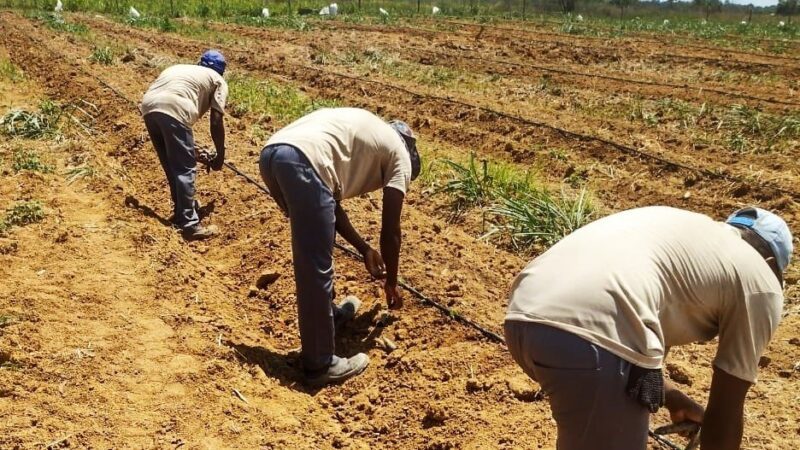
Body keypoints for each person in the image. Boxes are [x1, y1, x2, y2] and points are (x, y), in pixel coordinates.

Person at [504, 206, 792, 450]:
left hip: (524, 316)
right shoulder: (761, 282)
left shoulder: (692, 235)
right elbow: (726, 409)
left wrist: (672, 396)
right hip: (589, 337)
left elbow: (628, 307)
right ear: (772, 263)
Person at [259, 107, 421, 387]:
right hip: (304, 163)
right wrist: (392, 282)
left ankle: (329, 316)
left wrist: (363, 248)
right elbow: (391, 229)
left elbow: (330, 207)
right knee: (315, 265)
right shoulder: (400, 154)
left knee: (317, 244)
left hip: (274, 155)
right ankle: (320, 364)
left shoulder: (365, 134)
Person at [140, 49, 228, 240]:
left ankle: (182, 212)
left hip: (148, 107)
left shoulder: (180, 68)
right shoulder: (218, 80)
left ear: (199, 62)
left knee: (172, 166)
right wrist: (220, 156)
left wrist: (192, 149)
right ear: (222, 71)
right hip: (175, 109)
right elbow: (215, 121)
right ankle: (189, 224)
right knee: (184, 169)